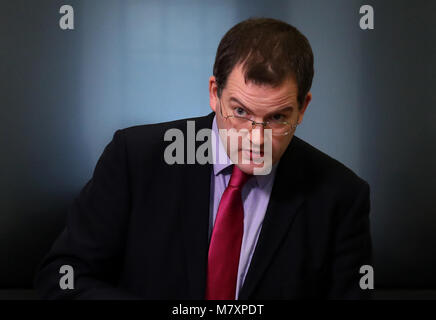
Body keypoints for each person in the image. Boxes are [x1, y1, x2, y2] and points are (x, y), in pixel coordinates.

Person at [34, 17, 373, 300]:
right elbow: (63, 277)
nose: (256, 138)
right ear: (215, 93)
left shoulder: (340, 194)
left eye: (278, 118)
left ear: (303, 107)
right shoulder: (136, 158)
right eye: (240, 111)